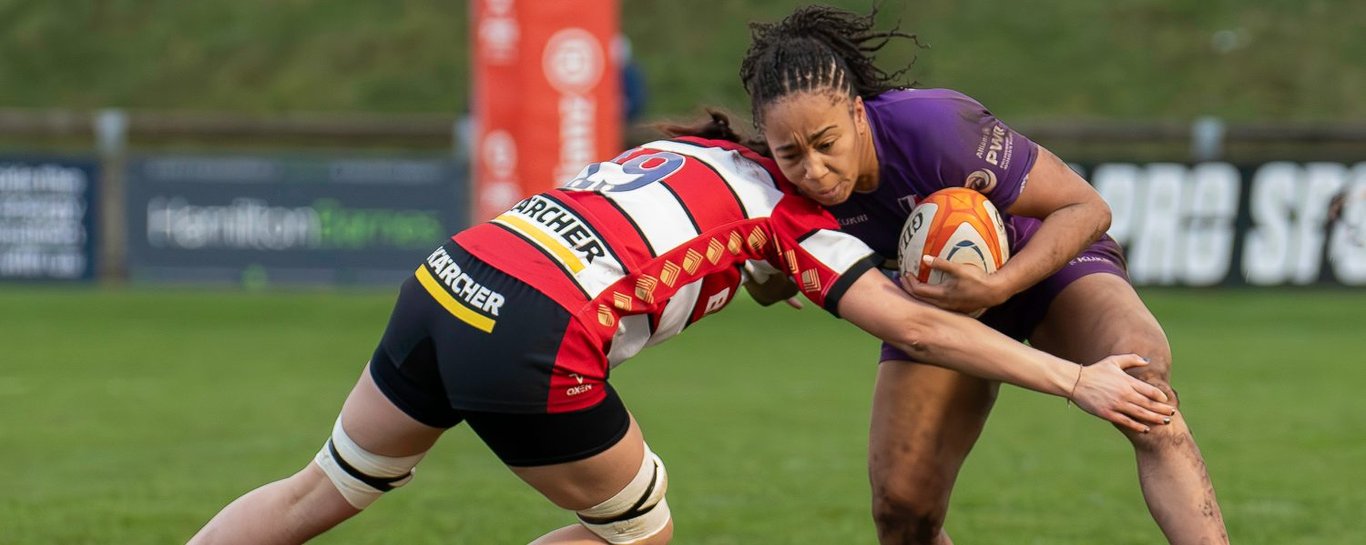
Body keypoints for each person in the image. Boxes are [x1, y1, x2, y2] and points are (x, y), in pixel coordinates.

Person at [185, 115, 1174, 545]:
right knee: (640, 531)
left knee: (325, 485)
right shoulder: (796, 228)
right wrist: (1073, 378)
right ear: (792, 158)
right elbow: (920, 324)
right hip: (534, 331)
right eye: (816, 158)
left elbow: (661, 238)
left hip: (451, 277)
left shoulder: (677, 149)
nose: (828, 176)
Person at [738, 6, 1228, 545]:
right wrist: (767, 272)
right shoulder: (780, 192)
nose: (813, 170)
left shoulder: (933, 130)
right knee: (903, 512)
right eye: (791, 154)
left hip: (1045, 263)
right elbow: (770, 282)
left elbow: (1086, 208)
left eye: (826, 144)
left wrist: (1001, 284)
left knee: (1147, 392)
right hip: (937, 310)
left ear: (857, 114)